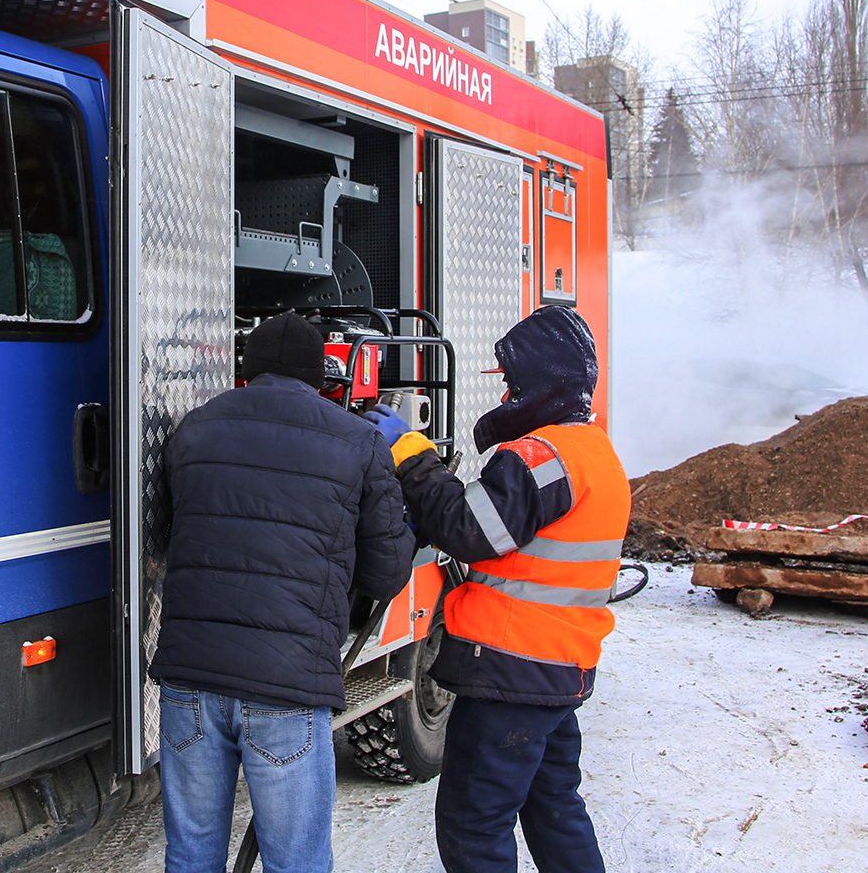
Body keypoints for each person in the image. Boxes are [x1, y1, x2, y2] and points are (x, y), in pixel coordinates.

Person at [149, 311, 415, 873]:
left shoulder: (192, 429)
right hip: (288, 686)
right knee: (295, 861)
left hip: (189, 679)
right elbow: (388, 574)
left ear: (247, 368)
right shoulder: (359, 442)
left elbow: (167, 535)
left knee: (191, 852)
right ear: (321, 375)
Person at [368, 305, 628, 873]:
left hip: (511, 673)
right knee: (554, 807)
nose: (506, 392)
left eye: (513, 381)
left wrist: (413, 457)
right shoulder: (596, 452)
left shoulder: (539, 456)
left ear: (541, 380)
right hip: (559, 671)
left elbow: (470, 529)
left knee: (473, 827)